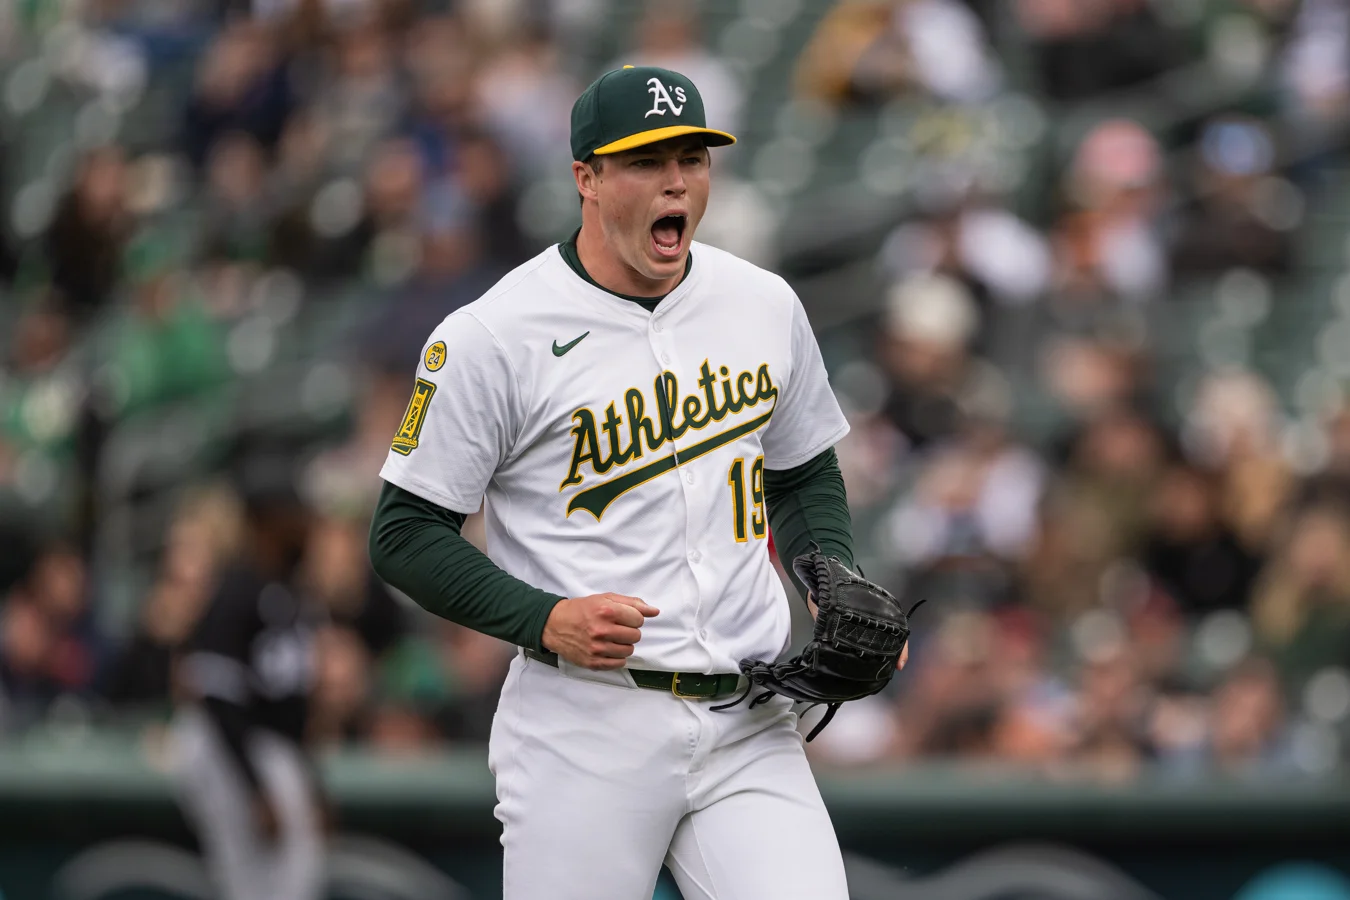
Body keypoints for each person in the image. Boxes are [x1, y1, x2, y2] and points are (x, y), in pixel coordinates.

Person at [369, 64, 903, 899]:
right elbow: (403, 535)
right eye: (647, 162)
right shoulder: (494, 335)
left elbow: (801, 471)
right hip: (585, 725)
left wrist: (828, 573)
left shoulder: (761, 303)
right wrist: (544, 618)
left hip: (748, 720)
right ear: (586, 178)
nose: (676, 182)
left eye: (693, 159)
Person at [169, 454, 325, 900]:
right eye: (294, 513)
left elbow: (292, 706)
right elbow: (217, 699)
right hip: (231, 752)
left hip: (270, 753)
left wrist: (314, 785)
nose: (305, 524)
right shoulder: (234, 593)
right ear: (266, 521)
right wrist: (255, 789)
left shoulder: (286, 590)